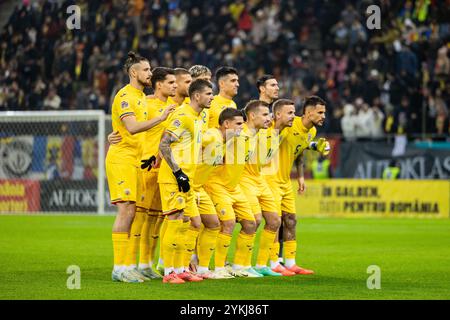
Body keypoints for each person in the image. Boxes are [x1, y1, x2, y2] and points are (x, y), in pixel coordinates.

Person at [106, 51, 174, 283]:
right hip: (121, 159)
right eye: (146, 70)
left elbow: (130, 131)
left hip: (135, 160)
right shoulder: (125, 96)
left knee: (133, 212)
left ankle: (128, 266)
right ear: (134, 72)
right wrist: (162, 116)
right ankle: (120, 268)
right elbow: (133, 128)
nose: (150, 73)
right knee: (126, 211)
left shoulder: (141, 98)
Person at [265, 96, 330, 275]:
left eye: (324, 112)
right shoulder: (289, 124)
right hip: (271, 179)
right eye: (320, 112)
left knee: (291, 220)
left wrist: (300, 177)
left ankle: (291, 262)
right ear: (308, 112)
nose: (324, 116)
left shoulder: (312, 132)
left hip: (285, 181)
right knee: (275, 222)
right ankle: (272, 263)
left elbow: (299, 152)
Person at [157, 79, 213, 284]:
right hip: (174, 178)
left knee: (189, 222)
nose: (212, 97)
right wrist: (178, 172)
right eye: (208, 93)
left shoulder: (198, 117)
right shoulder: (183, 115)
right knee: (175, 220)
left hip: (187, 178)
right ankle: (168, 272)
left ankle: (181, 269)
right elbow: (164, 144)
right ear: (196, 96)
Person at [204, 100, 267, 278]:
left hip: (234, 187)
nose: (268, 119)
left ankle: (241, 266)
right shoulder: (234, 135)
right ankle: (217, 267)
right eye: (265, 115)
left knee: (251, 223)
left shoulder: (252, 136)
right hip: (218, 184)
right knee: (228, 223)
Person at [134, 67, 178, 280]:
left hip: (163, 170)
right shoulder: (146, 103)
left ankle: (146, 264)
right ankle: (130, 264)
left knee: (156, 219)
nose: (175, 86)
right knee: (140, 219)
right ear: (159, 84)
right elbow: (130, 128)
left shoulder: (173, 107)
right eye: (171, 83)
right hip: (145, 167)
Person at [193, 107, 245, 279]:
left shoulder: (224, 141)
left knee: (213, 224)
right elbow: (193, 142)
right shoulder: (212, 136)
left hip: (199, 186)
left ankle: (202, 269)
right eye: (238, 124)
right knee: (187, 225)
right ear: (226, 124)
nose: (241, 127)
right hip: (188, 185)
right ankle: (174, 269)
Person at [238, 101, 283, 277]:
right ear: (252, 116)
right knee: (254, 221)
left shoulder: (263, 134)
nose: (269, 118)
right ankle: (241, 265)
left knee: (274, 221)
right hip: (244, 180)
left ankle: (261, 265)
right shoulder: (240, 133)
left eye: (269, 114)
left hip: (259, 179)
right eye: (265, 115)